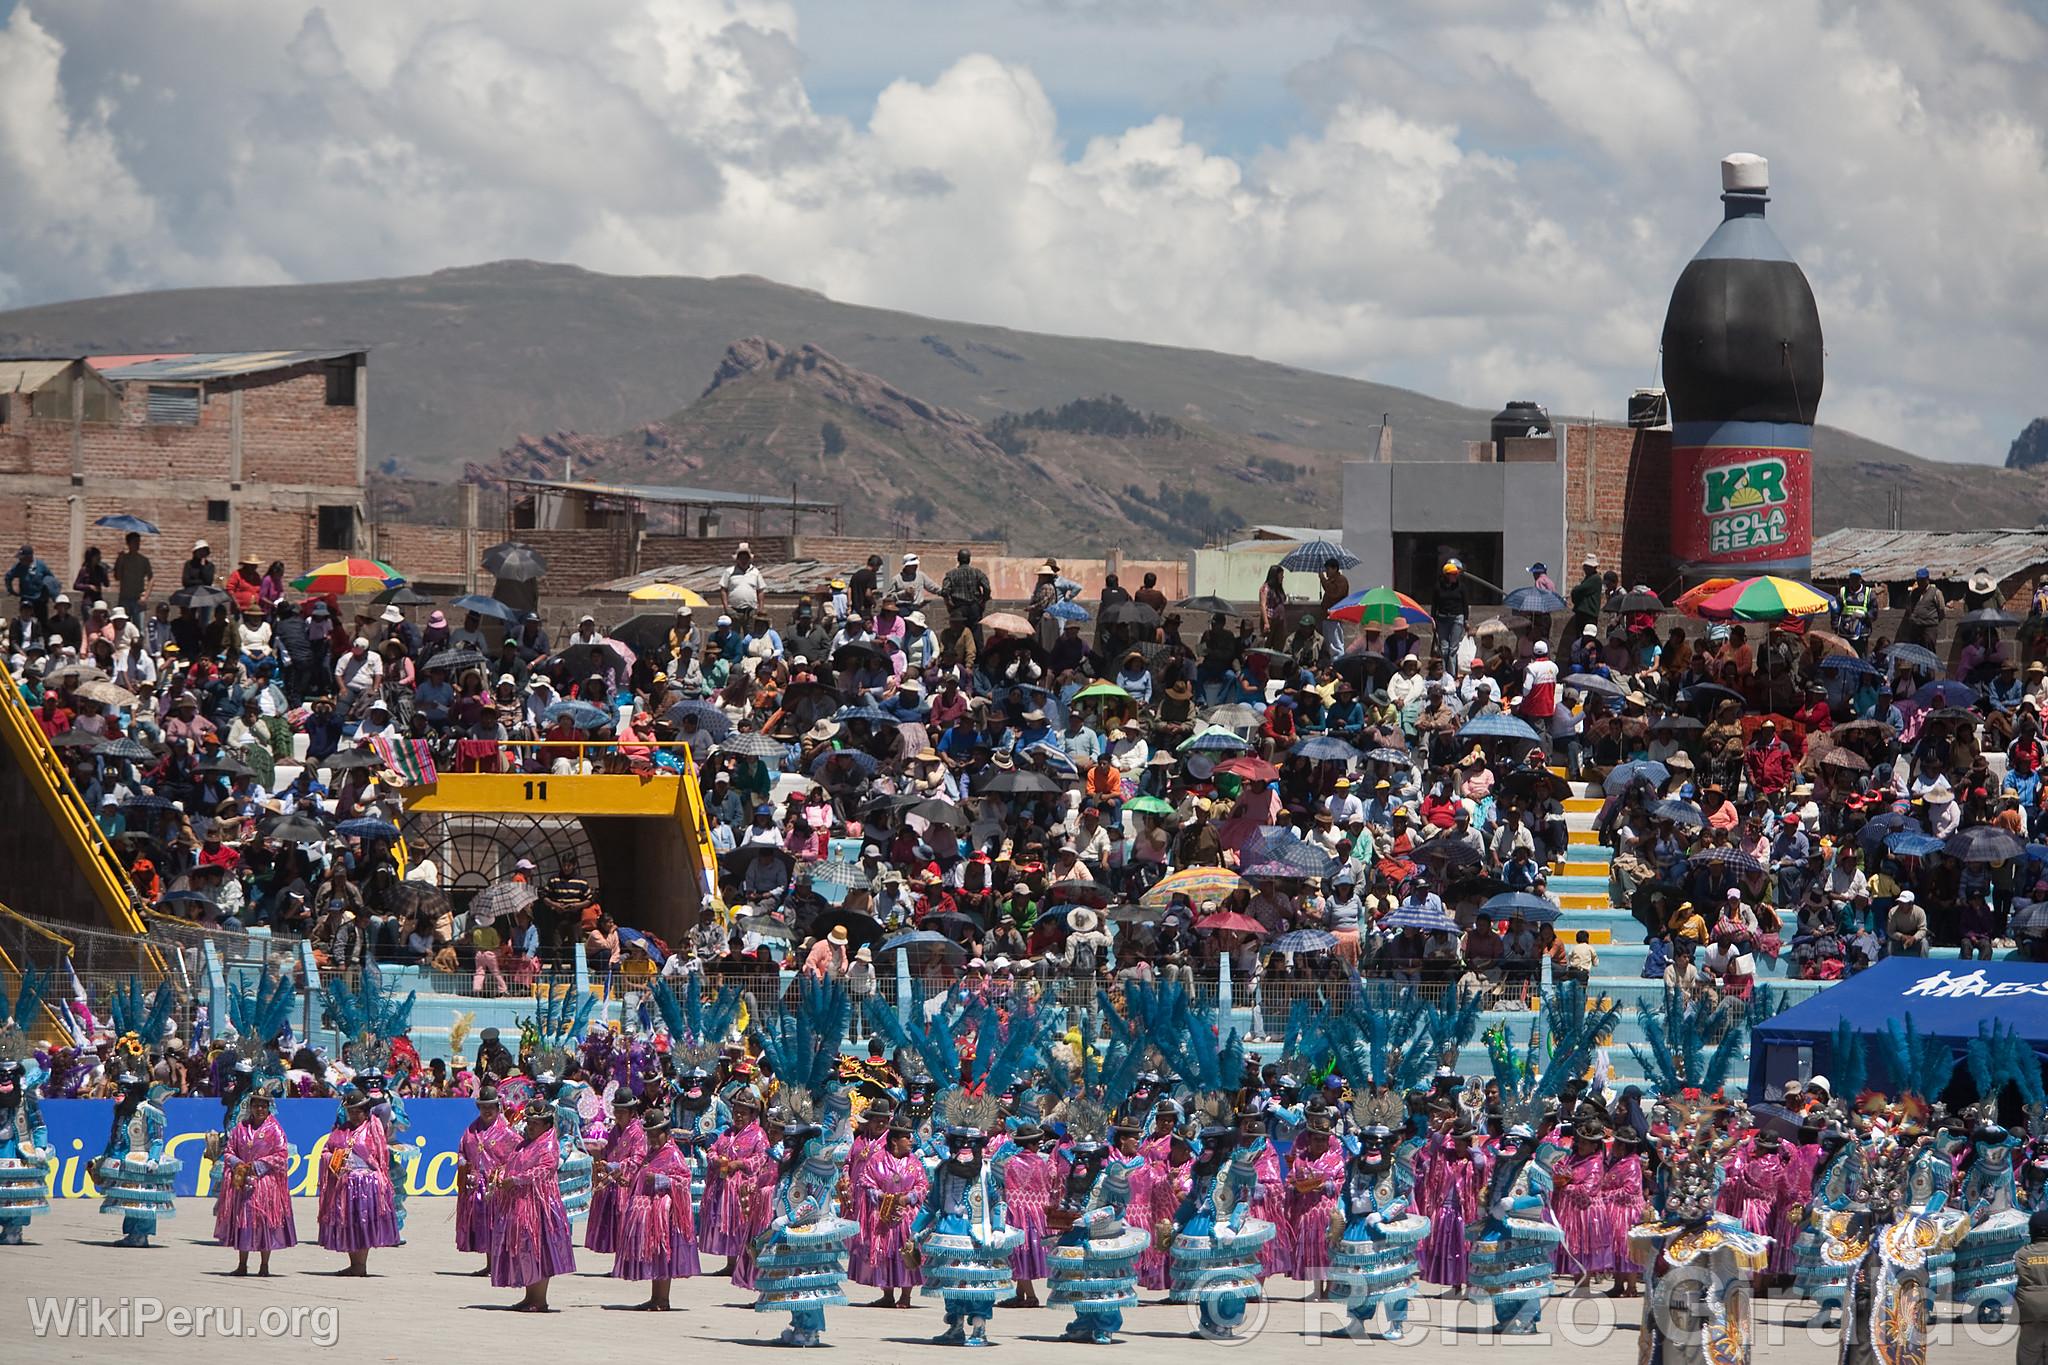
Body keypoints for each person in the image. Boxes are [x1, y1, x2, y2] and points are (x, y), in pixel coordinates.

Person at [490, 1100, 577, 1311]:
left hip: (540, 1205)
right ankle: (530, 1296)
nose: (530, 1126)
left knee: (539, 1249)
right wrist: (501, 1175)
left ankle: (539, 1299)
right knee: (525, 1249)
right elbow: (510, 1162)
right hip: (520, 1203)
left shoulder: (549, 1144)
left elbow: (544, 1170)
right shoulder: (525, 1143)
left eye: (535, 1123)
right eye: (529, 1122)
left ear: (547, 1125)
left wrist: (517, 1179)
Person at [614, 1110, 700, 1310]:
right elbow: (640, 1178)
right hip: (651, 1214)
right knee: (656, 1255)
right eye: (649, 1134)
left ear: (666, 1133)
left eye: (656, 1134)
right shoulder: (651, 1154)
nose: (652, 1138)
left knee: (663, 1254)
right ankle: (656, 1297)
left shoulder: (673, 1154)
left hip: (665, 1215)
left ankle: (663, 1299)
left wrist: (661, 1180)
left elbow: (684, 1181)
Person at [213, 1087, 296, 1275]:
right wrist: (237, 1164)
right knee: (243, 1221)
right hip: (243, 1183)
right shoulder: (240, 1128)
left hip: (265, 1183)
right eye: (256, 1105)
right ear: (250, 1107)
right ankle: (242, 1264)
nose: (260, 1109)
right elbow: (229, 1151)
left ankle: (264, 1265)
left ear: (269, 1108)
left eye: (263, 1106)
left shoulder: (275, 1129)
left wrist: (258, 1165)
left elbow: (281, 1154)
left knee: (264, 1223)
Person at [317, 1088, 399, 1275]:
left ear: (365, 1110)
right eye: (351, 1111)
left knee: (363, 1223)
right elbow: (325, 1151)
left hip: (367, 1183)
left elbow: (385, 1108)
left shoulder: (374, 1126)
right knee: (350, 1224)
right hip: (345, 1184)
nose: (354, 1115)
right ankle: (354, 1264)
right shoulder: (340, 1132)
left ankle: (361, 1265)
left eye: (358, 1111)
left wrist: (369, 1103)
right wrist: (336, 1158)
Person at [456, 1086, 517, 1273]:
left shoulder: (507, 1133)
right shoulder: (471, 1130)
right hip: (477, 1185)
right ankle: (490, 1264)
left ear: (498, 1107)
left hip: (496, 1186)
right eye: (483, 1106)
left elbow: (516, 1156)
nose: (487, 1110)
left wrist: (504, 1174)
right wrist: (464, 1163)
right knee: (485, 1226)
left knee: (497, 1225)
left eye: (491, 1106)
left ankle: (501, 1265)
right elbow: (461, 1151)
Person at [112, 532, 153, 618]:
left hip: (138, 599)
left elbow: (151, 578)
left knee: (139, 629)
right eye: (135, 542)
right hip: (125, 598)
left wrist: (145, 596)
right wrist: (119, 561)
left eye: (138, 542)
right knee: (123, 627)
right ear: (128, 543)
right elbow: (117, 577)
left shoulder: (144, 560)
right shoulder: (123, 559)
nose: (137, 544)